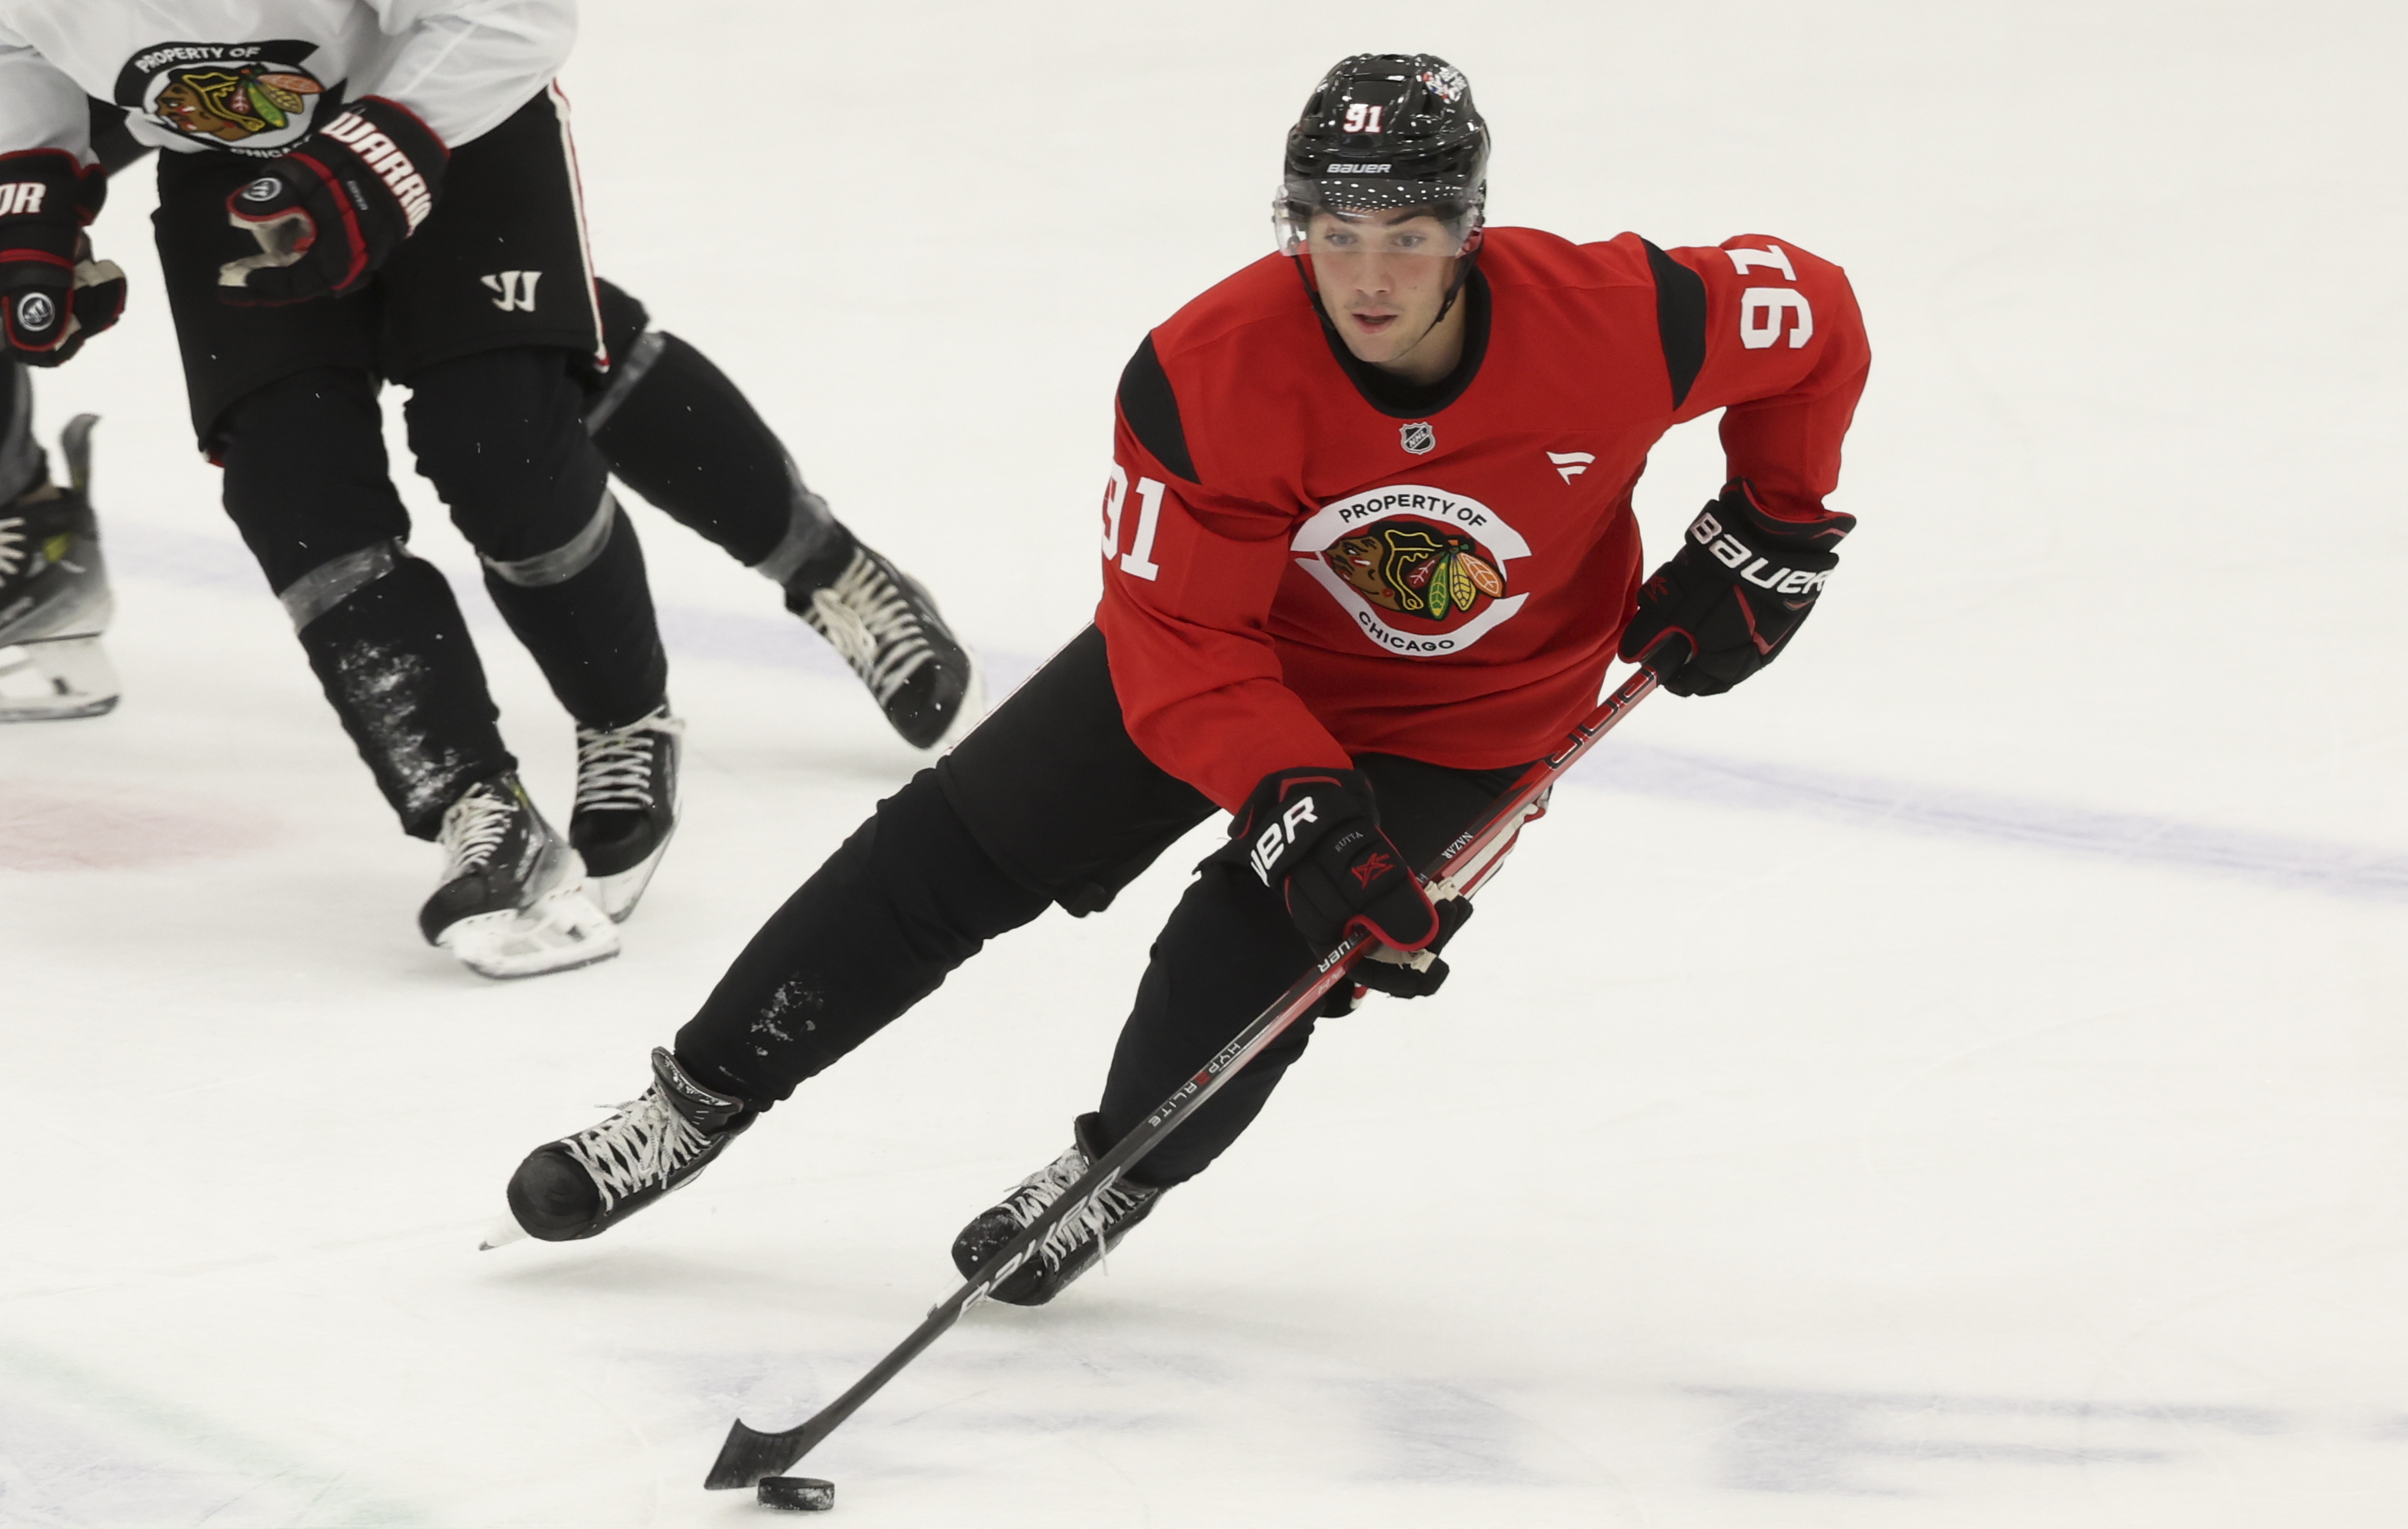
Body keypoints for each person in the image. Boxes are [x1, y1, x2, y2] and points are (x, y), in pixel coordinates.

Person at [498, 52, 1871, 1298]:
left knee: (1265, 949)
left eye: (1409, 235)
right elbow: (1182, 639)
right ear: (1297, 230)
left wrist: (1777, 522)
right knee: (953, 847)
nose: (1373, 278)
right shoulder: (1208, 372)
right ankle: (694, 1099)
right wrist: (1287, 789)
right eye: (1337, 237)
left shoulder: (1624, 317)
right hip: (1225, 664)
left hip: (1475, 720)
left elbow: (1817, 317)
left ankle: (1119, 1170)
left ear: (1468, 228)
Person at [0, 9, 976, 978]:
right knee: (287, 480)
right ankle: (475, 806)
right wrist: (27, 193)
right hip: (225, 159)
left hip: (448, 110)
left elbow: (514, 15)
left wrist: (380, 156)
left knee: (500, 435)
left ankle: (656, 697)